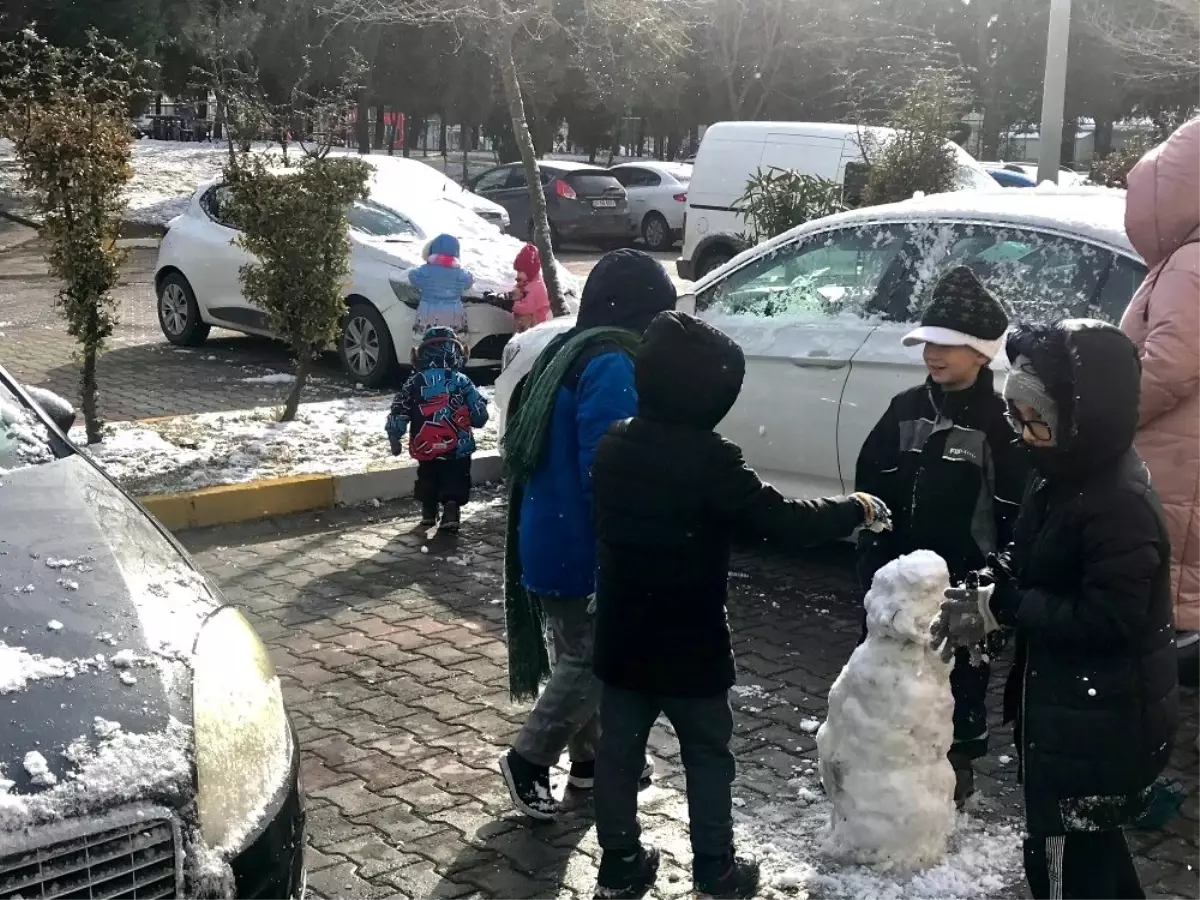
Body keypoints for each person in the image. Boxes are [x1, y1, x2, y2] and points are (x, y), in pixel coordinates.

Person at [589, 311, 891, 900]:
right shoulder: (710, 459)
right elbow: (779, 520)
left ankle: (621, 861)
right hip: (690, 645)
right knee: (706, 755)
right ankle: (716, 869)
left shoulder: (615, 442)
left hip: (621, 639)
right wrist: (852, 507)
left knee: (618, 756)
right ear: (709, 394)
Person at [934, 320, 1178, 900]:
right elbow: (1029, 551)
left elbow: (1108, 618)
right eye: (1015, 416)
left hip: (1101, 723)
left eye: (1034, 418)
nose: (1023, 432)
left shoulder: (1118, 505)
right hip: (1071, 714)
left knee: (1062, 862)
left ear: (1082, 418)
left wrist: (1010, 606)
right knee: (1093, 851)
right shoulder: (1061, 472)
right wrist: (992, 585)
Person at [499, 249, 678, 820]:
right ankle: (528, 759)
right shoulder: (613, 364)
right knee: (594, 659)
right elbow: (609, 468)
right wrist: (633, 541)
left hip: (547, 532)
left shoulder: (563, 351)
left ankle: (591, 762)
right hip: (582, 542)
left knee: (578, 653)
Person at [855, 266, 1028, 808]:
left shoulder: (1000, 424)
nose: (933, 353)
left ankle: (959, 767)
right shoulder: (905, 408)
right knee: (898, 673)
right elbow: (872, 485)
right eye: (928, 341)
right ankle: (896, 764)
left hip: (967, 585)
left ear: (981, 353)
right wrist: (875, 557)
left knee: (964, 682)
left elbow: (1015, 514)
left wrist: (994, 581)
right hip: (902, 579)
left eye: (948, 345)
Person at [1120, 116, 1200, 670]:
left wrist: (1104, 414)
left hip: (1178, 465)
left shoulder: (1191, 263)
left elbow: (1169, 365)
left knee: (1169, 614)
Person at [385, 326, 489, 533]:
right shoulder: (461, 381)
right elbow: (478, 411)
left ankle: (428, 511)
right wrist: (478, 419)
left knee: (427, 475)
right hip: (458, 445)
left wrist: (395, 433)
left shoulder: (414, 382)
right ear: (457, 354)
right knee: (456, 476)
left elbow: (400, 409)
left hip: (426, 444)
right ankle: (451, 508)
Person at [408, 233, 473, 338]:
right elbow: (469, 281)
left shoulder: (425, 271)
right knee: (452, 340)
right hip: (453, 312)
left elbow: (412, 276)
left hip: (428, 311)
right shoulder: (459, 273)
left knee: (429, 340)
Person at [512, 243, 552, 333]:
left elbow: (527, 307)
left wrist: (514, 304)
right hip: (527, 326)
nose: (518, 275)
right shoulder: (526, 283)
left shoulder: (536, 286)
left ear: (530, 272)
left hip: (536, 325)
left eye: (520, 271)